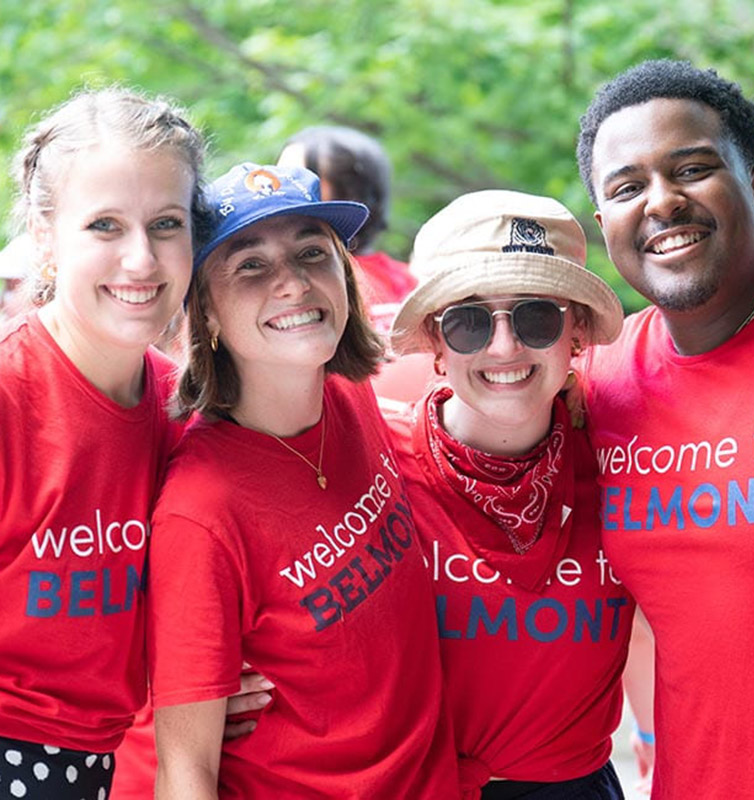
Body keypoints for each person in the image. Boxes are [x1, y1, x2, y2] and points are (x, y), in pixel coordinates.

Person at [146, 163, 459, 798]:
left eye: (312, 252)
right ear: (204, 312)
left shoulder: (351, 393)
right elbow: (185, 769)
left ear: (344, 276)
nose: (292, 282)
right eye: (250, 265)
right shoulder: (200, 511)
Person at [576, 58, 754, 798]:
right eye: (626, 187)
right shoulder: (600, 382)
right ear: (604, 221)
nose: (662, 203)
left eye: (692, 169)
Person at [387, 190, 636, 799]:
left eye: (536, 316)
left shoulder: (625, 456)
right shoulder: (369, 463)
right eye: (469, 320)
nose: (503, 347)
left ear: (576, 331)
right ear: (434, 342)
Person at [0, 87, 204, 798]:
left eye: (167, 223)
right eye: (106, 226)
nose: (141, 260)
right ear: (46, 233)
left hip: (95, 760)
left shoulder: (179, 404)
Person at [278, 125, 417, 311]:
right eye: (278, 177)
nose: (278, 192)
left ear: (352, 194)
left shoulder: (340, 286)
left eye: (296, 179)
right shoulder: (407, 278)